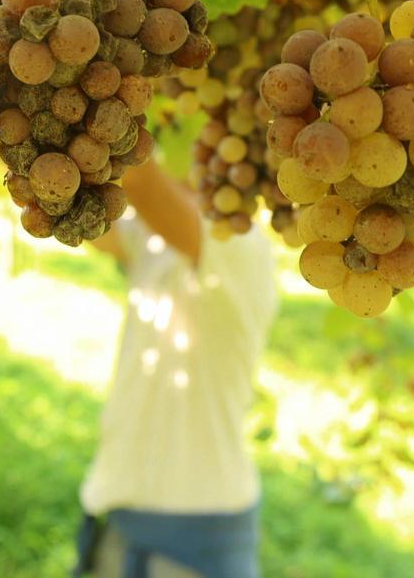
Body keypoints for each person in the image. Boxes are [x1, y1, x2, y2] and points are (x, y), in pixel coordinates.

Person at [77, 157, 278, 578]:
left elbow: (138, 175)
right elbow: (84, 220)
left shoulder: (240, 244)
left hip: (194, 534)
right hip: (126, 512)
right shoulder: (158, 241)